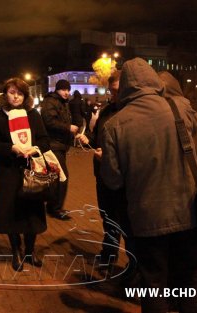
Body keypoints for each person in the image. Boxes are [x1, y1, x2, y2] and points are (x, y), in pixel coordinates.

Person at [100, 58, 197, 313]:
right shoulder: (181, 108)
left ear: (124, 87)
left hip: (145, 221)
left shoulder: (114, 125)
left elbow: (112, 180)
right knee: (188, 280)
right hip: (188, 213)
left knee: (153, 283)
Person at [0, 78, 51, 272]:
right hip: (8, 171)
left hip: (31, 170)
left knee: (31, 212)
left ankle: (30, 251)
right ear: (5, 94)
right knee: (11, 213)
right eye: (12, 92)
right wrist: (11, 148)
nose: (15, 96)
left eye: (20, 93)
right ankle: (16, 251)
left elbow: (45, 140)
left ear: (25, 96)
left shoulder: (33, 115)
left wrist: (35, 149)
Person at [77, 70, 135, 270]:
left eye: (117, 90)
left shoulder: (133, 113)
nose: (114, 95)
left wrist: (110, 157)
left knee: (127, 222)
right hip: (102, 175)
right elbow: (97, 139)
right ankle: (108, 255)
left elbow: (135, 150)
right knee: (108, 218)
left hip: (124, 179)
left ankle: (132, 262)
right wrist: (89, 140)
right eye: (111, 91)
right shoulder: (107, 111)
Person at [40, 79, 78, 220]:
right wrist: (68, 127)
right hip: (53, 145)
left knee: (56, 178)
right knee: (62, 177)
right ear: (57, 90)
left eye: (68, 90)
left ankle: (52, 206)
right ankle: (55, 208)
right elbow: (49, 122)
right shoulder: (51, 102)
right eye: (63, 90)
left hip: (60, 145)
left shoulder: (62, 102)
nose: (66, 92)